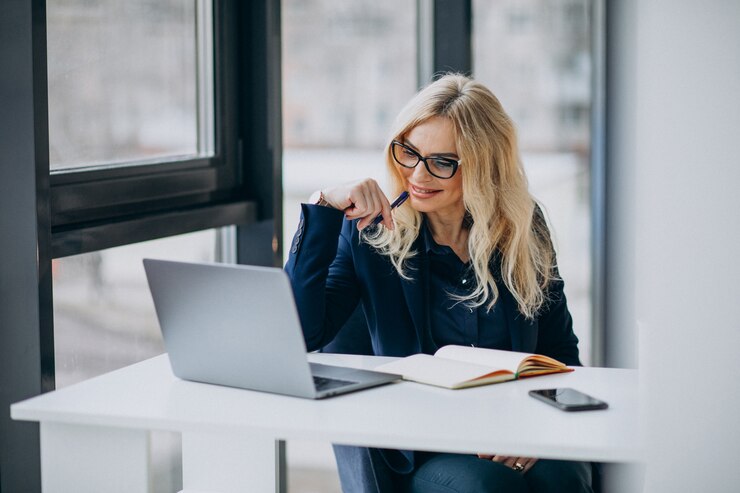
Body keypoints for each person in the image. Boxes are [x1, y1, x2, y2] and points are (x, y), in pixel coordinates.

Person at [285, 73, 593, 493]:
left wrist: (537, 429)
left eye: (442, 162)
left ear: (485, 167)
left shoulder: (523, 228)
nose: (417, 173)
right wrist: (324, 206)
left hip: (513, 425)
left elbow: (559, 353)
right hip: (422, 443)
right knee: (489, 488)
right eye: (409, 152)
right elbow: (301, 331)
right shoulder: (370, 233)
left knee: (566, 476)